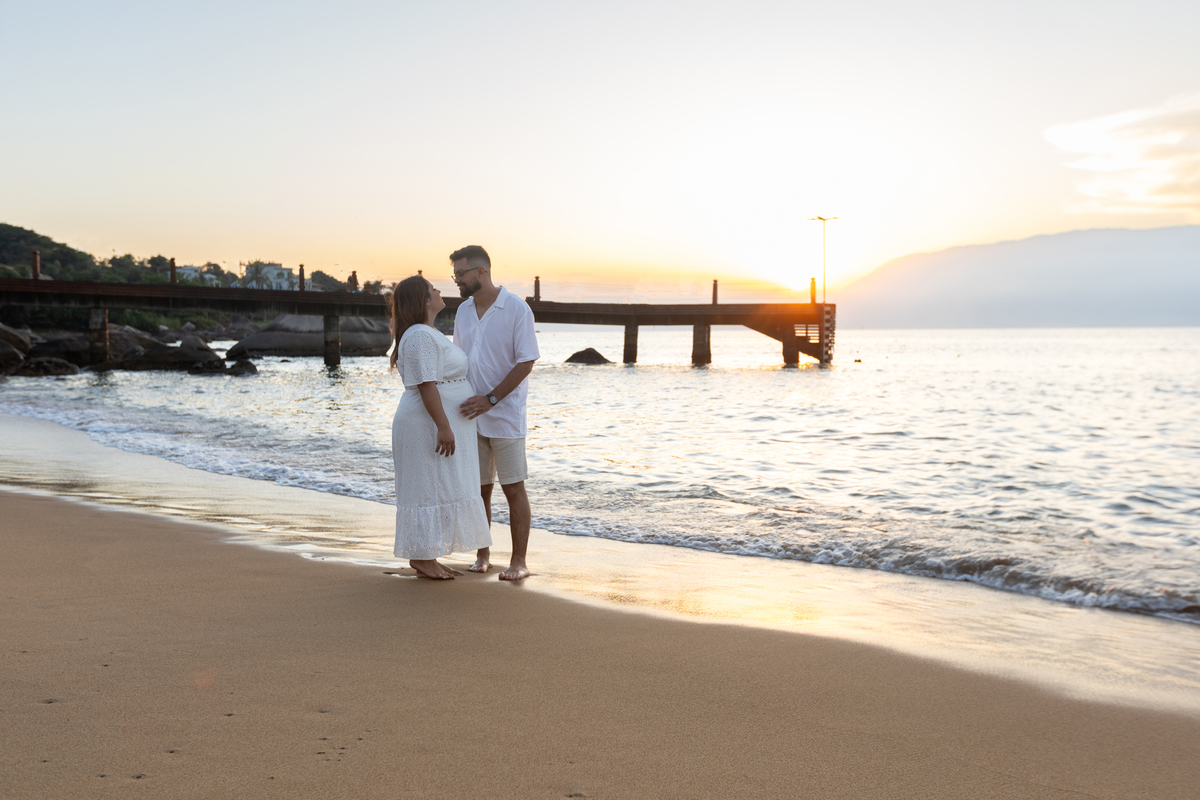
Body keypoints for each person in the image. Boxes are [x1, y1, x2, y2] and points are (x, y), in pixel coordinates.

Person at [389, 275, 491, 579]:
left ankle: (427, 556)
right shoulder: (420, 335)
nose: (439, 291)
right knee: (427, 487)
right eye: (433, 289)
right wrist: (443, 427)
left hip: (431, 422)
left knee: (436, 485)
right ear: (423, 300)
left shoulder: (427, 333)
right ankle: (422, 557)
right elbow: (426, 385)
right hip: (426, 424)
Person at [450, 246, 540, 581]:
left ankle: (519, 561)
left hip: (505, 415)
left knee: (513, 488)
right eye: (455, 275)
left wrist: (491, 399)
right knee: (479, 490)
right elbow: (458, 360)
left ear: (481, 272)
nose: (457, 280)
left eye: (461, 274)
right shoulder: (463, 311)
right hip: (469, 415)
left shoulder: (516, 309)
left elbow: (526, 361)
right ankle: (482, 555)